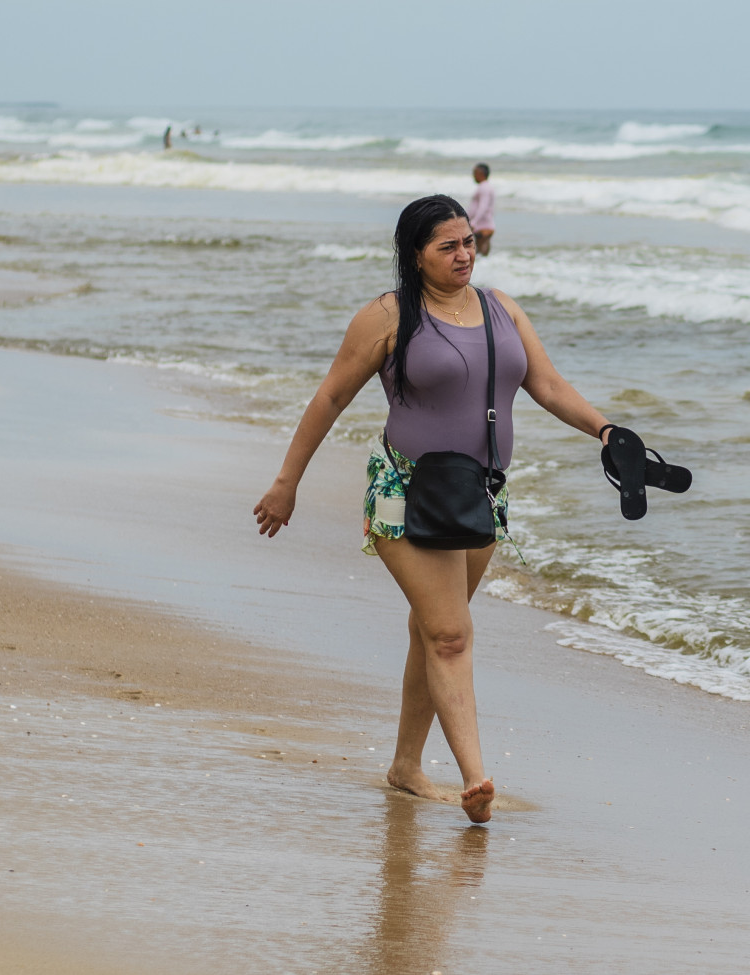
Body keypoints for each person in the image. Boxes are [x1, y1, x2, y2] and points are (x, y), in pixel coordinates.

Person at [252, 194, 615, 823]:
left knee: (433, 630)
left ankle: (405, 767)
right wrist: (288, 484)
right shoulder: (389, 317)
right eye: (447, 246)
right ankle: (476, 779)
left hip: (480, 497)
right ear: (414, 255)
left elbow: (550, 387)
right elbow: (331, 396)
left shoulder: (502, 310)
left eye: (468, 241)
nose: (463, 255)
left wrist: (609, 433)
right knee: (450, 634)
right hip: (404, 491)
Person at [467, 164, 496, 256]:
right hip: (482, 224)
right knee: (480, 251)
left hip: (483, 225)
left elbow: (483, 207)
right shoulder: (484, 187)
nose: (473, 176)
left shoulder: (484, 188)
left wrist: (474, 221)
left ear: (481, 174)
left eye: (475, 173)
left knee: (482, 253)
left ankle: (485, 268)